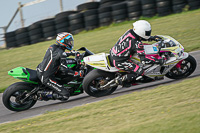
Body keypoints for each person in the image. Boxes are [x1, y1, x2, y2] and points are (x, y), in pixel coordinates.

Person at [109, 20, 165, 86]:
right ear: (141, 32)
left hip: (114, 53)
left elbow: (139, 37)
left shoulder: (130, 32)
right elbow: (144, 60)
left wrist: (152, 38)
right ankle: (121, 80)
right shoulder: (137, 44)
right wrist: (158, 60)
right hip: (120, 61)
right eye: (147, 32)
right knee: (140, 71)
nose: (148, 33)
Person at [37, 32, 83, 100]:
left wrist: (72, 53)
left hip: (40, 69)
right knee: (65, 95)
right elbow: (64, 70)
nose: (70, 43)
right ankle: (42, 95)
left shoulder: (52, 47)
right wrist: (77, 73)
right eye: (68, 42)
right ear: (63, 41)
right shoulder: (61, 53)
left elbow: (58, 54)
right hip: (47, 77)